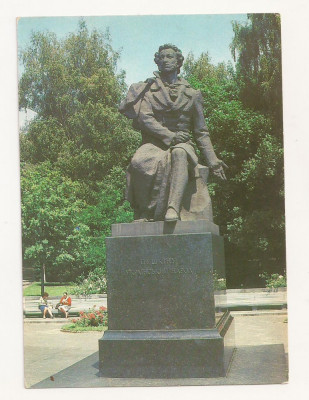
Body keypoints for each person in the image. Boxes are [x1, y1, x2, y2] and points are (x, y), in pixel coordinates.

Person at [119, 44, 227, 222]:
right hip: (154, 143)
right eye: (161, 57)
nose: (165, 60)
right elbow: (146, 119)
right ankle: (145, 211)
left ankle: (172, 208)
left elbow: (201, 131)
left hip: (183, 142)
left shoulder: (193, 94)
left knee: (179, 153)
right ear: (157, 62)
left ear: (178, 62)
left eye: (169, 57)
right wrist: (170, 136)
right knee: (138, 161)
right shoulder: (147, 90)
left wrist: (213, 161)